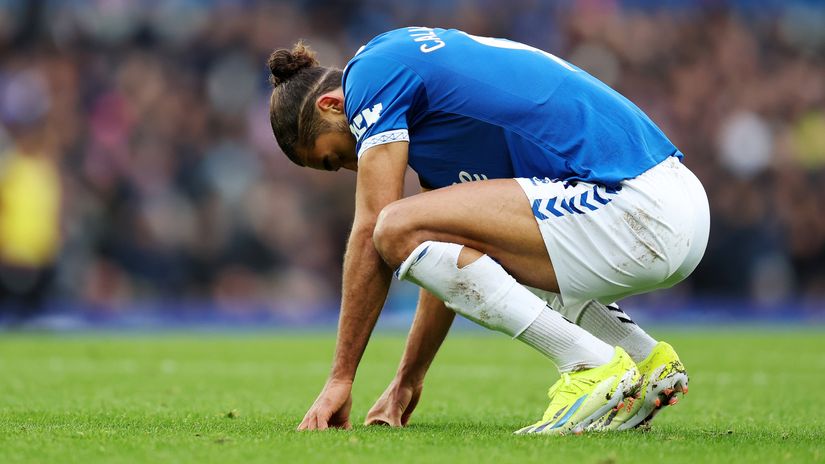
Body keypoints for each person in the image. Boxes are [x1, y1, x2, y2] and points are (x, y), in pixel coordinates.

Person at [266, 26, 709, 434]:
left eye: (334, 157)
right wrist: (407, 379)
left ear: (331, 105)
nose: (351, 165)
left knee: (391, 224)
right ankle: (644, 361)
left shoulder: (371, 73)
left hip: (638, 205)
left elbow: (374, 229)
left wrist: (341, 377)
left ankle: (588, 364)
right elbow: (445, 254)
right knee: (411, 229)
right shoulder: (430, 113)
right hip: (672, 201)